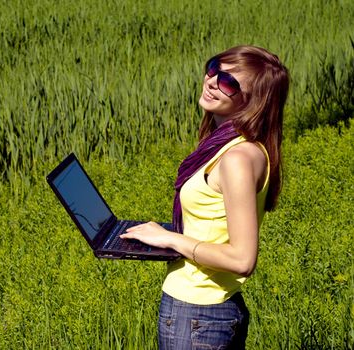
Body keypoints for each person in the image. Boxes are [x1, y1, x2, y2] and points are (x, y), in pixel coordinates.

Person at [120, 45, 290, 349]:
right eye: (213, 68)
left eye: (229, 82)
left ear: (253, 102)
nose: (212, 81)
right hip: (210, 311)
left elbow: (242, 259)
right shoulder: (236, 147)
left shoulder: (237, 158)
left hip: (196, 312)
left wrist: (171, 240)